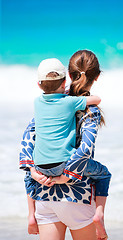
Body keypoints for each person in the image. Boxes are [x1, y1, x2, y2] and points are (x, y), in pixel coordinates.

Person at [19, 50, 111, 240]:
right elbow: (84, 150)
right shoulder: (89, 110)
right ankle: (99, 214)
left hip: (43, 193)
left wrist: (33, 172)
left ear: (69, 75)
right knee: (104, 174)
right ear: (97, 76)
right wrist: (67, 176)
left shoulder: (45, 104)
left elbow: (29, 138)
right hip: (77, 195)